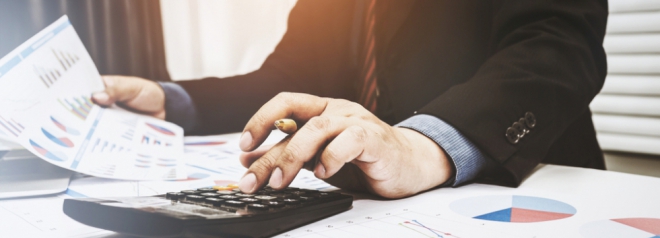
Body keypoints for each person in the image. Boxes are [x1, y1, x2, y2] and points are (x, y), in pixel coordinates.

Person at [92, 0, 608, 199]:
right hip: (381, 217)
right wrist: (169, 99)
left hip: (532, 192)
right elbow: (284, 78)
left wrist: (425, 145)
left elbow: (556, 44)